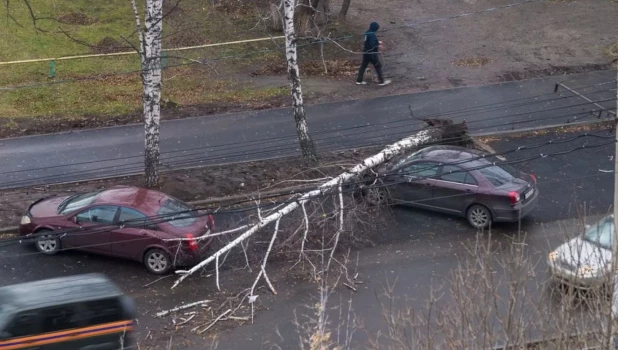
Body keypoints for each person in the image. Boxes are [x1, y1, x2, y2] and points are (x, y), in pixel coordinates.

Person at [356, 21, 391, 86]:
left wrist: (377, 42)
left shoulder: (367, 32)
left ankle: (359, 80)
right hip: (372, 53)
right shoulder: (372, 35)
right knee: (378, 66)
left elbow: (369, 41)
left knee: (363, 66)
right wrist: (378, 44)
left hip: (366, 52)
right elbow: (373, 44)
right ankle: (381, 81)